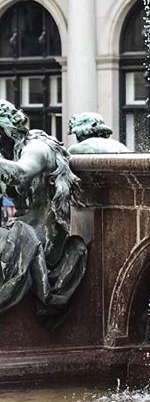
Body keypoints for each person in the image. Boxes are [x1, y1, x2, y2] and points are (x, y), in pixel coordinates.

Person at [0, 101, 87, 319]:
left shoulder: (36, 148)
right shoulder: (16, 148)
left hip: (41, 238)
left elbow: (21, 173)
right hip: (23, 226)